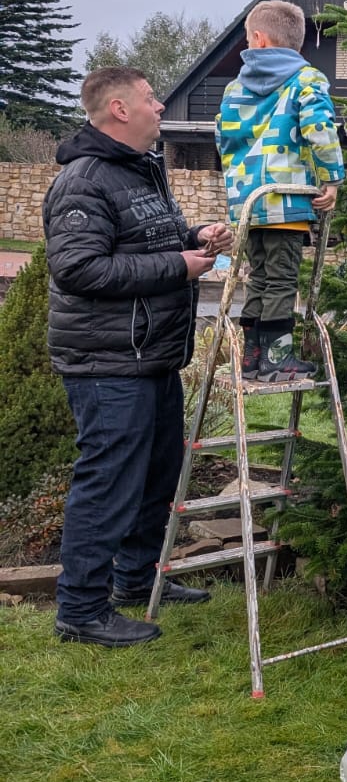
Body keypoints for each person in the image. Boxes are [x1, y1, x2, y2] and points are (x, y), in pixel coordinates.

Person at [43, 68, 233, 646]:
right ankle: (80, 609)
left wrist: (197, 236)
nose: (159, 106)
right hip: (107, 364)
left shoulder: (142, 171)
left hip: (151, 356)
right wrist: (179, 266)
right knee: (108, 483)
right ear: (120, 110)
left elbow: (149, 239)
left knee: (157, 474)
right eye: (152, 98)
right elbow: (78, 269)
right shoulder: (85, 180)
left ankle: (134, 578)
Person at [216, 0, 343, 382]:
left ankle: (251, 358)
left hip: (247, 203)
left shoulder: (234, 88)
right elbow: (320, 130)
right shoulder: (307, 80)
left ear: (257, 39)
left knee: (258, 276)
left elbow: (223, 140)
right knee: (283, 279)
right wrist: (331, 178)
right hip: (285, 201)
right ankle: (277, 358)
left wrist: (239, 190)